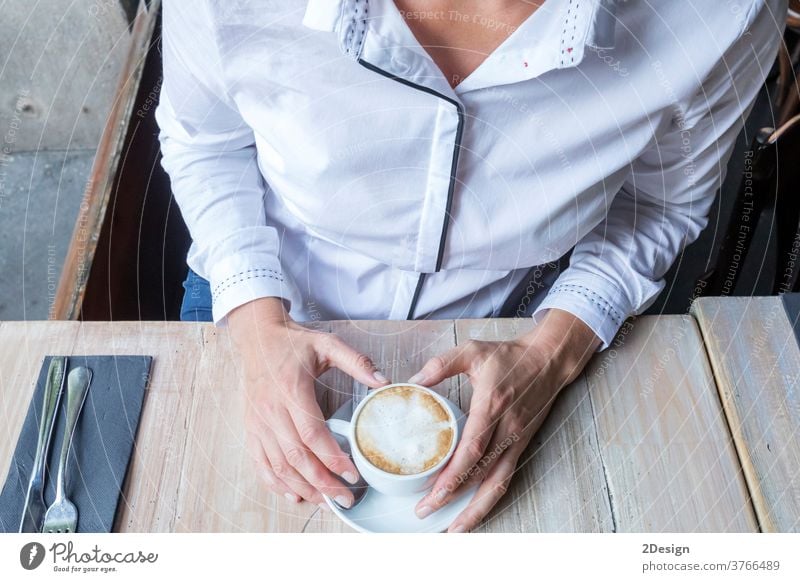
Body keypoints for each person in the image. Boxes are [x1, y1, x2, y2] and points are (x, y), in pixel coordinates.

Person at [156, 0, 785, 532]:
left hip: (510, 324)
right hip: (259, 290)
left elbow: (660, 207)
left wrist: (551, 355)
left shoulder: (721, 15)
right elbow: (205, 142)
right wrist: (257, 327)